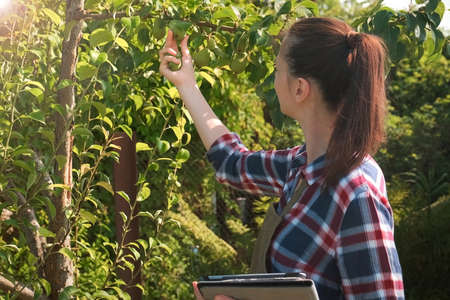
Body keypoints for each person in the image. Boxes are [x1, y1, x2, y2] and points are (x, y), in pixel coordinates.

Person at [159, 17, 404, 300]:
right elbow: (232, 163)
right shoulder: (302, 166)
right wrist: (186, 84)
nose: (274, 80)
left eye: (277, 69)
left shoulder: (358, 196)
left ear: (300, 89)